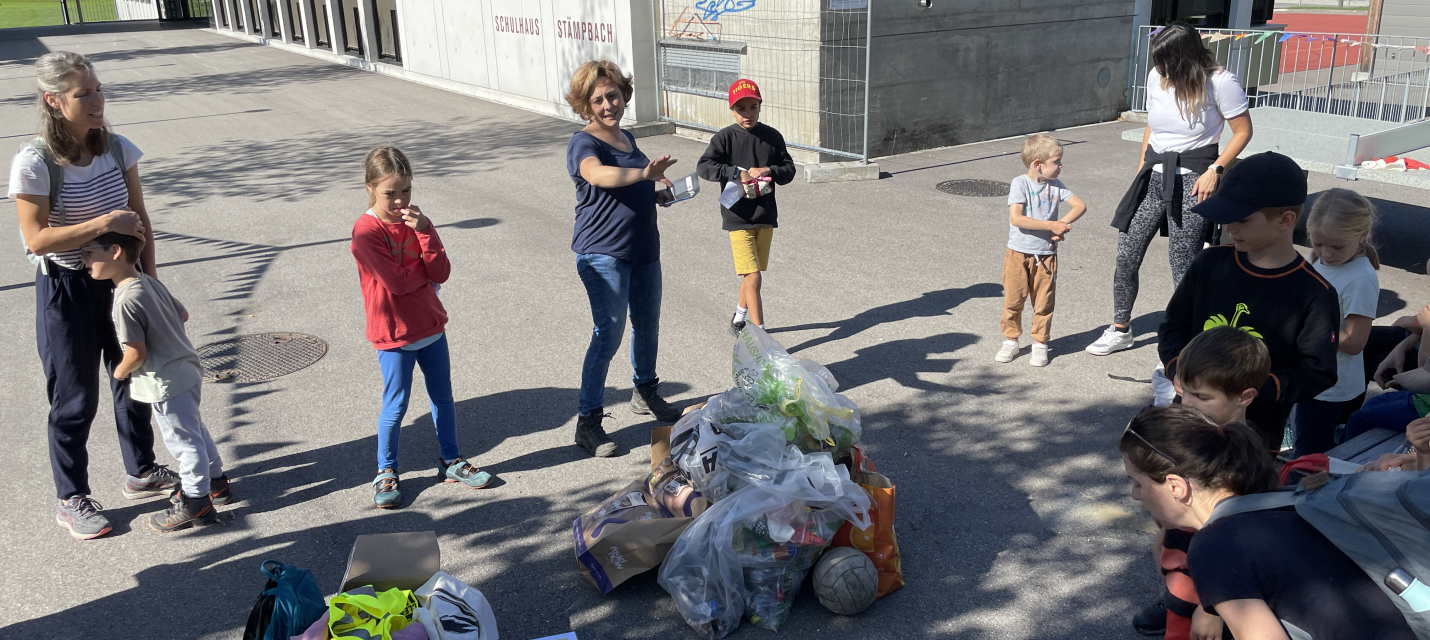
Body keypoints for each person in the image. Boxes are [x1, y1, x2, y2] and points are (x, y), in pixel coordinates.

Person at [9, 51, 176, 540]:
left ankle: (141, 469)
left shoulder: (118, 148)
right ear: (54, 101)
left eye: (99, 89)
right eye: (84, 93)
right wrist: (102, 223)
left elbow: (140, 219)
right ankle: (71, 497)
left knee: (134, 373)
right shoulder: (34, 161)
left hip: (122, 280)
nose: (98, 100)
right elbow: (36, 239)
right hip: (67, 288)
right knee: (74, 395)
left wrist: (151, 283)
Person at [1120, 404, 1417, 640]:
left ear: (1176, 486)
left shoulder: (1214, 547)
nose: (1135, 496)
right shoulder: (1290, 502)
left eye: (1137, 483)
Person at [1158, 152, 1340, 453]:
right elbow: (1173, 326)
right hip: (1187, 422)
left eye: (1242, 220)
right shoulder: (1209, 264)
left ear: (1286, 220)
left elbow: (1319, 371)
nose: (1230, 228)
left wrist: (1251, 389)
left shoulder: (1314, 292)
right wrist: (1177, 368)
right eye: (1227, 217)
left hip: (1252, 437)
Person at [1090, 23, 1254, 356]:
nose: (1161, 68)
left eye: (1167, 62)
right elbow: (1152, 124)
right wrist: (1141, 167)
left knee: (1182, 264)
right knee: (1126, 256)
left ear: (1185, 58)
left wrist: (1214, 170)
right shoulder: (1157, 76)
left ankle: (1189, 341)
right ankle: (1120, 328)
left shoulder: (1220, 82)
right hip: (1153, 174)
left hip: (1195, 177)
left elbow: (1242, 132)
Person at [351, 146, 493, 509]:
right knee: (395, 406)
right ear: (370, 188)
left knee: (443, 397)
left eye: (406, 191)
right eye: (390, 193)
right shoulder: (366, 231)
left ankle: (451, 460)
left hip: (430, 326)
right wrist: (423, 277)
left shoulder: (418, 223)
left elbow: (441, 272)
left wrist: (427, 231)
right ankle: (385, 470)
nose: (400, 201)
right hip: (394, 333)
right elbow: (396, 283)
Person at [564, 60, 684, 458]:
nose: (607, 104)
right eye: (597, 99)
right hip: (603, 255)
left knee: (647, 325)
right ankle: (588, 422)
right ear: (585, 105)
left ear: (623, 94)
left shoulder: (628, 138)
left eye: (612, 95)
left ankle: (645, 391)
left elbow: (638, 181)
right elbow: (600, 176)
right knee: (608, 334)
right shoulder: (585, 143)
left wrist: (658, 192)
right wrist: (643, 177)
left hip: (643, 250)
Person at [81, 232, 234, 532]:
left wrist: (119, 372)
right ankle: (217, 483)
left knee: (183, 442)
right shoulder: (149, 282)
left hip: (164, 381)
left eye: (88, 251)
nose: (83, 258)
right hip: (187, 369)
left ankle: (196, 502)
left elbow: (136, 352)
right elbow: (183, 313)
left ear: (115, 251)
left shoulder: (124, 300)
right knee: (195, 431)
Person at [1133, 326, 1270, 638]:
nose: (1188, 405)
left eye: (1202, 396)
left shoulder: (1242, 461)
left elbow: (1240, 549)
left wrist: (1210, 609)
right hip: (1182, 574)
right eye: (1184, 393)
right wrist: (1163, 535)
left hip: (1212, 589)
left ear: (1245, 397)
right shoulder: (1193, 434)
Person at [695, 79, 796, 336]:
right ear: (731, 110)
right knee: (753, 277)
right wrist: (734, 172)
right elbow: (704, 166)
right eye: (741, 109)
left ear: (760, 106)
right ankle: (760, 335)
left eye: (753, 107)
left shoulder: (772, 137)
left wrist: (769, 170)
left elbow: (789, 170)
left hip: (765, 215)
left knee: (752, 274)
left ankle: (739, 319)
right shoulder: (725, 138)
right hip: (737, 216)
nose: (747, 113)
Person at [1290, 189, 1380, 456]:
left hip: (1329, 388)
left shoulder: (1360, 279)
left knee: (1309, 460)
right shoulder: (1326, 262)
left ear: (1362, 236)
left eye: (1336, 246)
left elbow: (1354, 342)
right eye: (1317, 244)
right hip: (1311, 378)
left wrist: (1306, 328)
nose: (1326, 253)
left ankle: (1303, 496)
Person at [994, 133, 1086, 367]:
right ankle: (1011, 340)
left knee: (1044, 303)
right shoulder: (1020, 183)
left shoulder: (1056, 186)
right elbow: (1016, 218)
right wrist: (1051, 225)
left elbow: (1079, 205)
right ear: (1038, 164)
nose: (1060, 166)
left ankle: (1040, 343)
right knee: (1014, 300)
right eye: (1056, 162)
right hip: (1017, 253)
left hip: (1046, 255)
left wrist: (1061, 225)